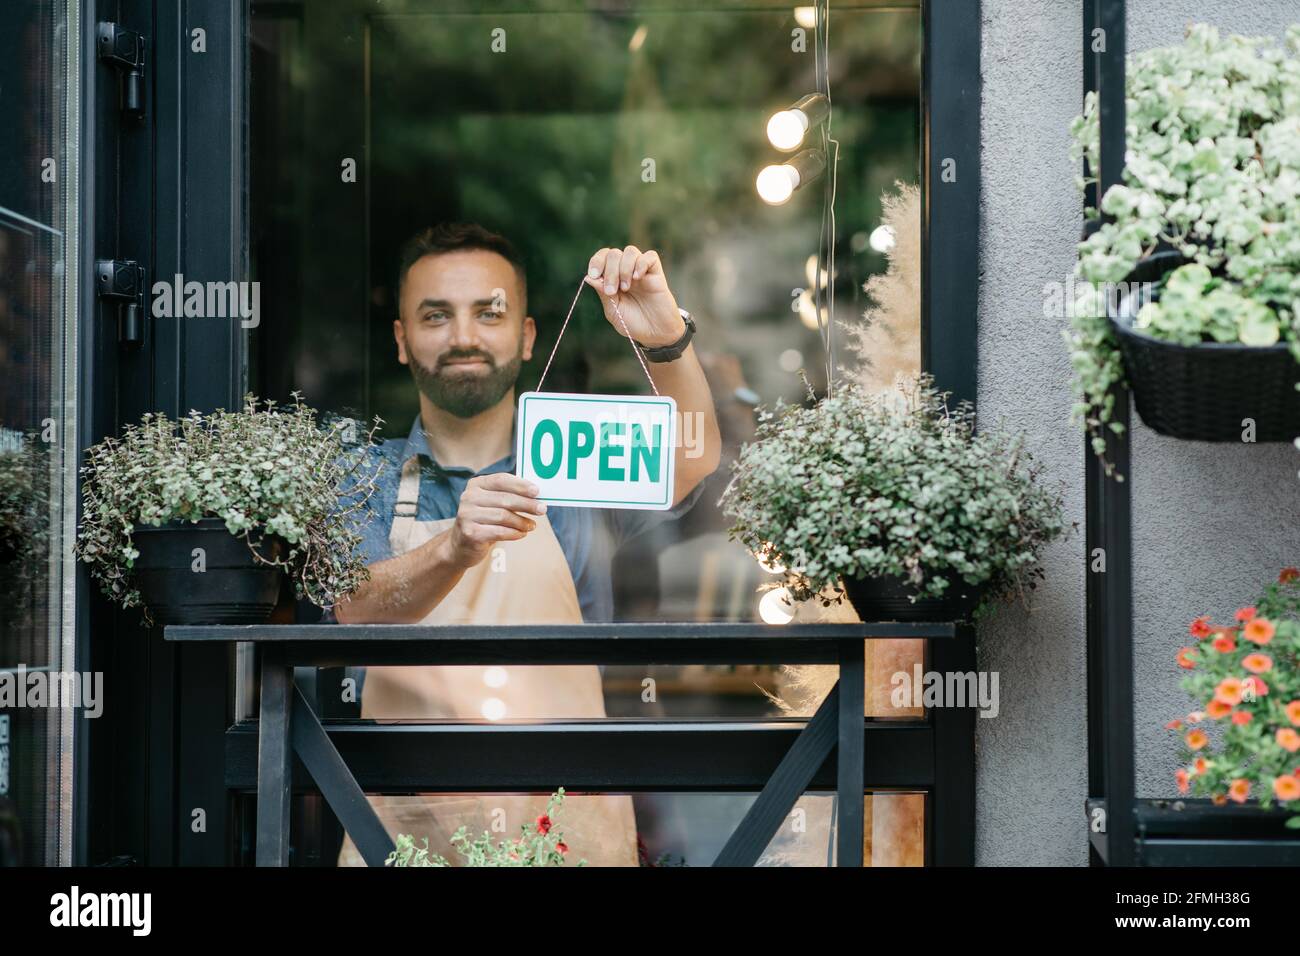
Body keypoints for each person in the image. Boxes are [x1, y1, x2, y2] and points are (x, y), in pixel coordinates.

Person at [335, 223, 720, 866]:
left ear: (527, 335)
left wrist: (663, 339)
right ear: (402, 341)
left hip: (570, 830)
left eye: (489, 313)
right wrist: (453, 546)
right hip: (402, 834)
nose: (463, 337)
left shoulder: (578, 464)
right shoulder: (359, 479)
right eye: (436, 316)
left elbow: (692, 457)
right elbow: (351, 606)